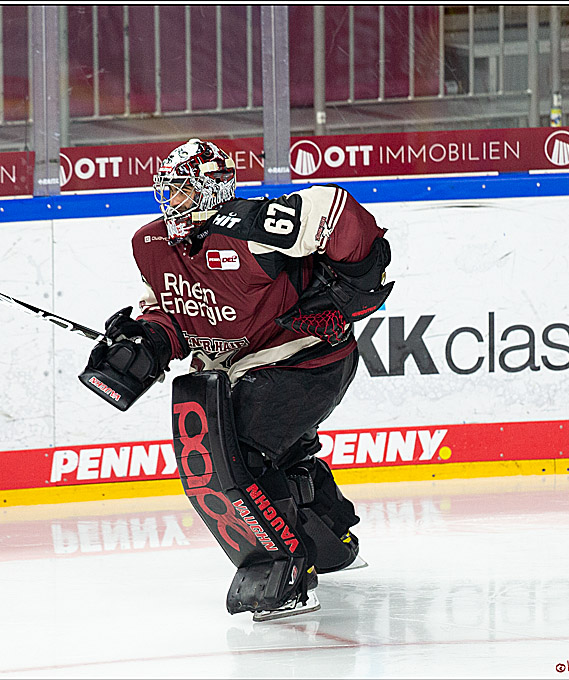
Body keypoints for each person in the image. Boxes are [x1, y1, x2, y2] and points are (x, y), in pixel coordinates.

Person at [79, 138, 393, 621]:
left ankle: (284, 568)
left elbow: (335, 208)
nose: (171, 201)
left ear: (212, 188)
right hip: (234, 369)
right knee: (279, 455)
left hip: (304, 359)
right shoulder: (150, 242)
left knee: (235, 453)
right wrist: (146, 344)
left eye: (182, 189)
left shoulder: (254, 227)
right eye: (168, 189)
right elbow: (168, 312)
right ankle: (330, 544)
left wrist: (353, 285)